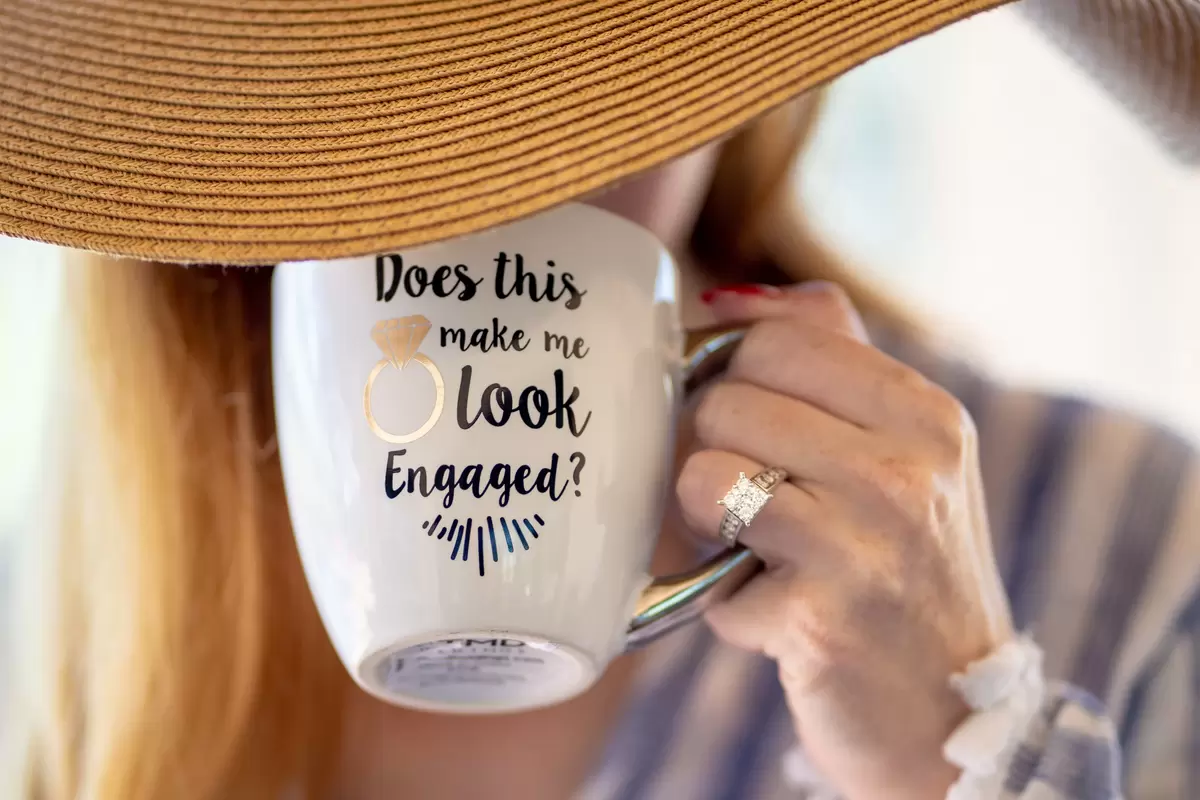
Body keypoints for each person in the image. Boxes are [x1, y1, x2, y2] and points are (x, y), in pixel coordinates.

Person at [1, 2, 1198, 799]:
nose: (484, 174)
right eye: (369, 82)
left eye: (570, 78)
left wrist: (971, 750)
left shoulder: (1133, 547)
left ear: (730, 80)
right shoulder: (50, 621)